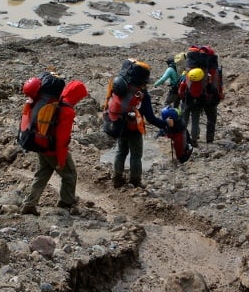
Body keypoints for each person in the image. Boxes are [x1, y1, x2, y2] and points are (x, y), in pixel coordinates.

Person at [20, 77, 88, 216]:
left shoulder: (46, 101)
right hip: (52, 151)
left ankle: (29, 204)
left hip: (39, 145)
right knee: (69, 175)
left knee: (42, 174)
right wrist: (61, 160)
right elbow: (62, 140)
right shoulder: (66, 111)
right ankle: (66, 204)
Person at [104, 61, 162, 188]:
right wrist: (165, 125)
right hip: (134, 128)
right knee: (136, 155)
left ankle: (117, 178)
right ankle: (135, 181)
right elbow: (151, 118)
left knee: (121, 152)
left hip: (119, 125)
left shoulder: (119, 87)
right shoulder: (143, 95)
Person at [178, 66, 222, 146]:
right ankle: (194, 140)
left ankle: (182, 139)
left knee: (184, 121)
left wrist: (183, 98)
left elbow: (180, 92)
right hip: (197, 104)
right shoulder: (204, 82)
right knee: (195, 121)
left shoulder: (186, 81)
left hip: (186, 103)